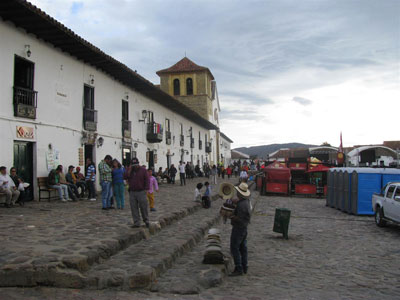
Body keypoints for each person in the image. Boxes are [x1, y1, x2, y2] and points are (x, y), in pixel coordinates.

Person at [229, 182, 251, 276]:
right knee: (243, 248)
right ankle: (244, 266)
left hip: (239, 228)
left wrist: (232, 216)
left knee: (234, 247)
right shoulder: (246, 202)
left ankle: (239, 268)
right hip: (244, 228)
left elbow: (239, 219)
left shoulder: (241, 205)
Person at [124, 158, 150, 228]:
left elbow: (147, 179)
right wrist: (128, 171)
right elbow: (124, 177)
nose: (135, 166)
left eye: (136, 164)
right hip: (132, 191)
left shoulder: (143, 170)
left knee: (143, 207)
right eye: (133, 165)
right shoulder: (130, 171)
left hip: (141, 191)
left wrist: (146, 189)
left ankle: (146, 220)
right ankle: (136, 222)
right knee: (134, 208)